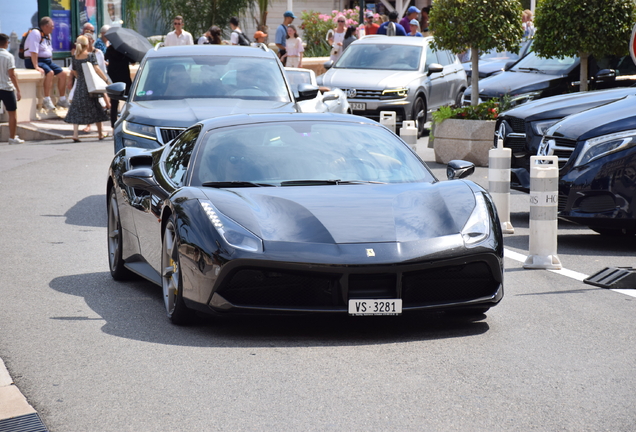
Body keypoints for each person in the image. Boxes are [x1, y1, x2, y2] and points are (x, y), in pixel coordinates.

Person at [64, 36, 110, 141]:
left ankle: (75, 134)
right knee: (96, 107)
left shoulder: (75, 57)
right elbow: (97, 69)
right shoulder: (90, 56)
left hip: (80, 85)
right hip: (90, 86)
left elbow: (74, 72)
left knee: (76, 108)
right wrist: (106, 80)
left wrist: (80, 78)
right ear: (87, 45)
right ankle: (100, 133)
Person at [24, 16, 69, 110]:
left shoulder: (48, 35)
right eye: (52, 26)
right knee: (50, 73)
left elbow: (48, 50)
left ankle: (62, 99)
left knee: (63, 74)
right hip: (34, 60)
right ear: (45, 26)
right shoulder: (35, 33)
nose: (53, 28)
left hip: (46, 60)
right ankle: (47, 99)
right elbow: (33, 51)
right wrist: (36, 66)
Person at [0, 33, 24, 144]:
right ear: (5, 43)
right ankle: (12, 137)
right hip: (6, 88)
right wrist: (18, 90)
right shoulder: (8, 56)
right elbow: (12, 75)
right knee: (12, 113)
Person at [105, 40, 134, 127]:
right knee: (129, 100)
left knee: (114, 102)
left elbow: (105, 58)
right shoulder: (125, 50)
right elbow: (133, 62)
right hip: (124, 77)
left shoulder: (109, 49)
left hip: (113, 77)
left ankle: (113, 123)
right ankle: (128, 119)